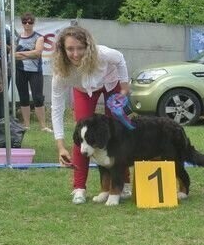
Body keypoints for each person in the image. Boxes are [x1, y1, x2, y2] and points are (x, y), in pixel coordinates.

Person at [51, 26, 130, 204]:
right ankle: (79, 188)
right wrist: (60, 146)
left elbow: (120, 59)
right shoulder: (60, 73)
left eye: (80, 48)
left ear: (88, 47)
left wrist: (124, 86)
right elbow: (56, 108)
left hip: (110, 84)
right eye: (70, 49)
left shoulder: (103, 53)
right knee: (81, 136)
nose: (76, 54)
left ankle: (124, 183)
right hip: (82, 91)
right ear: (63, 50)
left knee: (118, 133)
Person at [14, 13, 51, 131]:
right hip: (20, 70)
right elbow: (13, 55)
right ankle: (26, 125)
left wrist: (21, 54)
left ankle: (43, 126)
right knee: (23, 97)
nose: (27, 24)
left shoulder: (39, 37)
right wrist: (29, 53)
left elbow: (37, 53)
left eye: (30, 22)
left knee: (38, 97)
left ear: (33, 23)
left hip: (35, 71)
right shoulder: (18, 38)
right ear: (22, 23)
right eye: (25, 22)